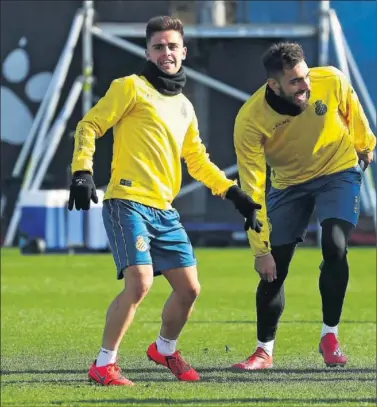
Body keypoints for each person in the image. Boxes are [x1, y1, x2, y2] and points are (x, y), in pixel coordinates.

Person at [68, 16, 262, 386]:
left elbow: (198, 159)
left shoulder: (185, 107)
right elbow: (88, 126)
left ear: (184, 52)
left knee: (190, 289)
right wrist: (82, 171)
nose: (166, 52)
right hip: (127, 201)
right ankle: (104, 364)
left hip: (164, 210)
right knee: (139, 283)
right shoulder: (130, 87)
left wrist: (234, 194)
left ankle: (165, 350)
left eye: (173, 46)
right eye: (159, 46)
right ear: (148, 52)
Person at [231, 42, 375, 370]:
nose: (305, 86)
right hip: (287, 185)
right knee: (274, 269)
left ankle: (330, 335)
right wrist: (260, 250)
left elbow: (354, 113)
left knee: (335, 246)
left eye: (306, 76)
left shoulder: (332, 80)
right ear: (274, 85)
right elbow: (251, 189)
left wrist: (365, 147)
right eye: (295, 81)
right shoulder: (250, 121)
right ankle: (263, 351)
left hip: (337, 171)